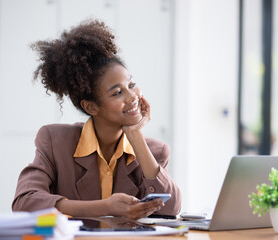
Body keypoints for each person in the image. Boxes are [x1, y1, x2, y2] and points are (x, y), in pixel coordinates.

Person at [12, 19, 181, 219]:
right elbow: (24, 202)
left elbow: (171, 209)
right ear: (91, 106)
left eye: (132, 84)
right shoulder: (55, 141)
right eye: (117, 92)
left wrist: (135, 135)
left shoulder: (154, 151)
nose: (132, 96)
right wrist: (104, 207)